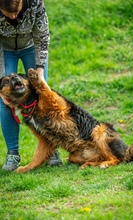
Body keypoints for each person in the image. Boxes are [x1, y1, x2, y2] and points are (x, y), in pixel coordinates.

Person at [0, 0, 62, 171]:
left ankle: (52, 149)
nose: (13, 16)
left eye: (16, 12)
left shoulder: (34, 3)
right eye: (7, 13)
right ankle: (13, 153)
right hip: (4, 50)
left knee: (43, 97)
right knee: (5, 100)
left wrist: (40, 73)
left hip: (31, 47)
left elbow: (42, 36)